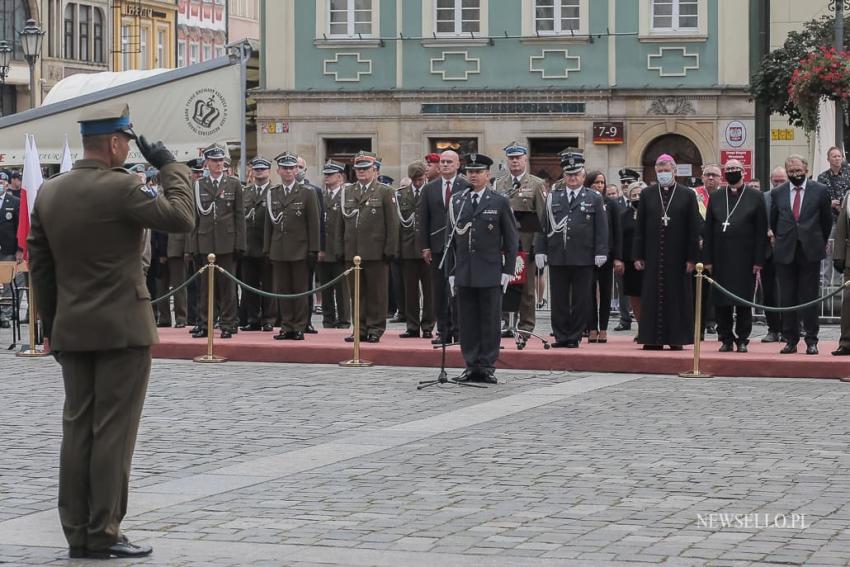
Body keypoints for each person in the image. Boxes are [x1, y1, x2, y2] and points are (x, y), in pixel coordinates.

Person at [27, 103, 194, 559]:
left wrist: (51, 326)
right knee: (113, 432)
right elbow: (182, 218)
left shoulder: (50, 193)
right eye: (125, 141)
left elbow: (41, 268)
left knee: (77, 428)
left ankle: (76, 532)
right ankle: (104, 531)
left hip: (72, 328)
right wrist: (170, 165)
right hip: (123, 329)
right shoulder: (123, 188)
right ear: (117, 143)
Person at [448, 153, 518, 382]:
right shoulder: (458, 200)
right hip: (465, 270)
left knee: (489, 321)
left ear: (488, 174)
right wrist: (451, 271)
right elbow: (452, 241)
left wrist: (508, 270)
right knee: (467, 321)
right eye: (470, 172)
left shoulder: (498, 201)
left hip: (489, 270)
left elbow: (510, 239)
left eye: (478, 172)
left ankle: (486, 366)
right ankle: (470, 364)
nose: (473, 176)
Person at [535, 151, 608, 348]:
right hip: (558, 254)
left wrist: (601, 250)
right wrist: (540, 250)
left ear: (583, 176)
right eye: (569, 174)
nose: (572, 178)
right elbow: (544, 226)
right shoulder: (553, 197)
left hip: (583, 255)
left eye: (576, 174)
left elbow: (601, 227)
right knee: (558, 299)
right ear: (564, 176)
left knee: (580, 298)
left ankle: (574, 336)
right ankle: (560, 335)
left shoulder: (593, 197)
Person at [632, 154, 700, 350]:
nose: (663, 174)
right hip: (652, 256)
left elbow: (693, 229)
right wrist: (637, 255)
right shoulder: (647, 194)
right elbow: (640, 228)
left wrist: (692, 258)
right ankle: (651, 339)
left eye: (666, 170)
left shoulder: (687, 194)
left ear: (674, 171)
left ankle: (676, 338)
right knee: (652, 296)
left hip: (678, 256)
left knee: (677, 297)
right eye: (659, 171)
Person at [770, 154, 833, 355]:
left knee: (809, 297)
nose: (795, 174)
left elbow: (826, 221)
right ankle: (790, 339)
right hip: (786, 250)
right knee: (787, 297)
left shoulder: (820, 190)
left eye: (798, 171)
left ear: (806, 170)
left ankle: (811, 340)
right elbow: (774, 220)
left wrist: (819, 242)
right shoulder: (778, 192)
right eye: (791, 172)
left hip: (810, 250)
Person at [703, 159, 767, 353]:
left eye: (735, 169)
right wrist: (707, 260)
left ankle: (742, 339)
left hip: (745, 259)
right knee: (721, 301)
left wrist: (758, 260)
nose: (731, 172)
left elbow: (761, 231)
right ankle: (725, 338)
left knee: (743, 302)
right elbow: (708, 231)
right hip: (720, 258)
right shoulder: (716, 197)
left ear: (743, 172)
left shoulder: (755, 197)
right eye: (728, 169)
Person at [340, 151, 399, 342]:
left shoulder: (384, 191)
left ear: (374, 170)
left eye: (365, 169)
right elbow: (341, 223)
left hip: (376, 251)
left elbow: (392, 224)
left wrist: (390, 249)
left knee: (376, 293)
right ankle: (360, 328)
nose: (361, 172)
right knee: (356, 293)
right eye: (358, 169)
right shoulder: (347, 191)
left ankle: (375, 328)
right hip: (353, 250)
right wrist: (340, 248)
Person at [190, 143, 246, 339]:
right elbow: (194, 219)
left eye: (221, 161)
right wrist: (193, 246)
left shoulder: (234, 184)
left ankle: (228, 323)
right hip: (205, 241)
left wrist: (240, 244)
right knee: (205, 287)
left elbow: (239, 216)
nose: (218, 164)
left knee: (227, 287)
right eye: (214, 161)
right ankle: (205, 323)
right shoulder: (198, 186)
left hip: (227, 242)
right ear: (207, 163)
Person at [264, 152, 321, 340]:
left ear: (297, 170)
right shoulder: (273, 193)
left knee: (300, 290)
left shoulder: (307, 193)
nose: (288, 171)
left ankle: (299, 326)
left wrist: (314, 249)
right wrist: (267, 248)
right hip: (279, 249)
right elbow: (268, 225)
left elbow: (314, 223)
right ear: (278, 170)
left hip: (300, 250)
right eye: (284, 168)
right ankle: (286, 326)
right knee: (283, 290)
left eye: (291, 168)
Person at [493, 141, 546, 340]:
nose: (514, 161)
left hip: (526, 243)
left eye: (518, 158)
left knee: (526, 288)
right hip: (504, 244)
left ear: (525, 159)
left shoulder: (536, 183)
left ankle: (525, 325)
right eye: (511, 158)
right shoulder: (499, 184)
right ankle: (507, 322)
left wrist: (537, 246)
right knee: (505, 284)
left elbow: (542, 218)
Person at [417, 150, 470, 344]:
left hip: (460, 246)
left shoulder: (466, 185)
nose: (445, 165)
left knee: (458, 290)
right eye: (442, 162)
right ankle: (443, 330)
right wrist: (424, 246)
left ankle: (460, 329)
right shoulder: (430, 188)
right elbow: (423, 220)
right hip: (438, 247)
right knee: (439, 291)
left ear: (458, 165)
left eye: (449, 162)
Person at [397, 160, 435, 338]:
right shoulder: (401, 195)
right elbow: (398, 225)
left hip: (428, 249)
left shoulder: (432, 192)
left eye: (420, 179)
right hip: (408, 249)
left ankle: (428, 325)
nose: (417, 183)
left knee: (430, 291)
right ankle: (412, 326)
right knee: (410, 291)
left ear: (425, 176)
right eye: (414, 180)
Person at [239, 156, 277, 332]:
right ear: (252, 172)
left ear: (269, 171)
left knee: (269, 285)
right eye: (256, 169)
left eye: (262, 169)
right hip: (248, 246)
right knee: (249, 285)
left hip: (266, 246)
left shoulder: (274, 192)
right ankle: (253, 318)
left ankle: (269, 319)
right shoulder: (245, 192)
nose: (259, 172)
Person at [585, 170, 623, 343]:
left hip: (607, 255)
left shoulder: (611, 204)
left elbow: (617, 232)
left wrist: (617, 257)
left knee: (606, 292)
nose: (599, 186)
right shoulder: (584, 201)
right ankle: (592, 328)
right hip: (586, 255)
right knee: (588, 292)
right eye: (596, 182)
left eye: (602, 183)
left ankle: (604, 328)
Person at [318, 159, 351, 329]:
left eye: (330, 175)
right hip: (323, 249)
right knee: (325, 288)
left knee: (342, 289)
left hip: (339, 249)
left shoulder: (346, 195)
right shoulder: (320, 196)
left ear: (339, 176)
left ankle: (344, 320)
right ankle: (328, 319)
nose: (327, 178)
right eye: (325, 174)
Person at [296, 156, 325, 334]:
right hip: (289, 246)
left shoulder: (314, 190)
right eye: (294, 166)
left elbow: (319, 222)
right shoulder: (278, 191)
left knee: (306, 285)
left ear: (305, 169)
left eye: (300, 166)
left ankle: (306, 321)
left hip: (306, 246)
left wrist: (318, 247)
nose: (296, 169)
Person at [760, 166, 788, 343]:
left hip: (788, 251)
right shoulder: (763, 198)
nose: (778, 184)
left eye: (781, 181)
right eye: (775, 181)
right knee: (769, 292)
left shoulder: (792, 197)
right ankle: (772, 328)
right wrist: (767, 231)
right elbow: (758, 221)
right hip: (767, 252)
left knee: (788, 292)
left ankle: (788, 329)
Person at [614, 167, 640, 331]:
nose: (625, 185)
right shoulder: (616, 204)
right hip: (625, 256)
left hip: (643, 258)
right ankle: (625, 319)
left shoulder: (649, 206)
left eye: (629, 182)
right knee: (624, 290)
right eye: (623, 183)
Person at [621, 181, 646, 327]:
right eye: (634, 195)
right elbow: (620, 238)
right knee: (635, 295)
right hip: (630, 263)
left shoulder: (654, 213)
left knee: (650, 295)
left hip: (649, 261)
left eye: (640, 194)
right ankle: (641, 327)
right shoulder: (623, 215)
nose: (637, 197)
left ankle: (650, 327)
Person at [0, 172, 20, 328]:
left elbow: (20, 228)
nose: (1, 184)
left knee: (8, 283)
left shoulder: (14, 202)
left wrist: (19, 249)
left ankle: (6, 314)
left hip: (8, 250)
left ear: (7, 184)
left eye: (2, 182)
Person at [832, 190, 850, 355]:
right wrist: (838, 256)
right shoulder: (849, 196)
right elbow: (842, 227)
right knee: (848, 303)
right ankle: (846, 342)